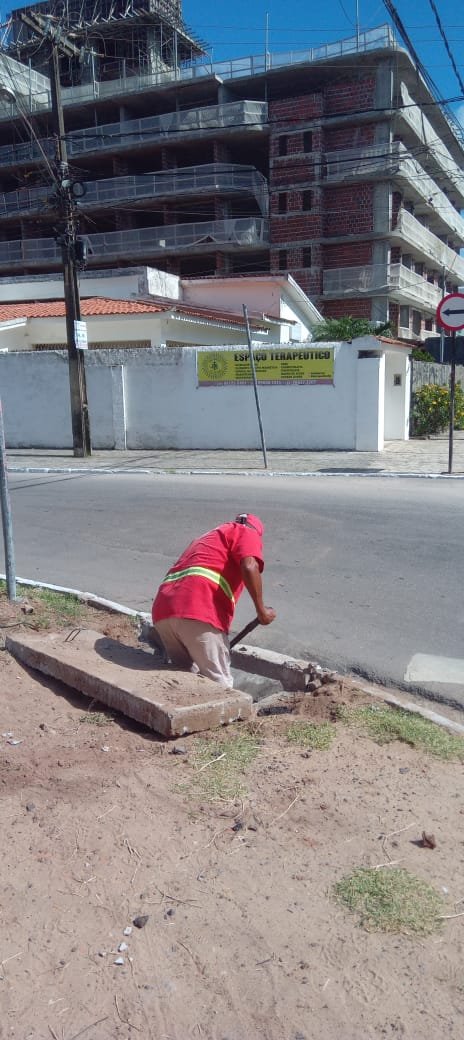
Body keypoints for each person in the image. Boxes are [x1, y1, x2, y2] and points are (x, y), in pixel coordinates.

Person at [152, 513, 276, 687]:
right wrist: (261, 611)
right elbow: (250, 566)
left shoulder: (207, 536)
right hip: (197, 611)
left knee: (183, 678)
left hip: (163, 611)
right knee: (220, 686)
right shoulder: (246, 531)